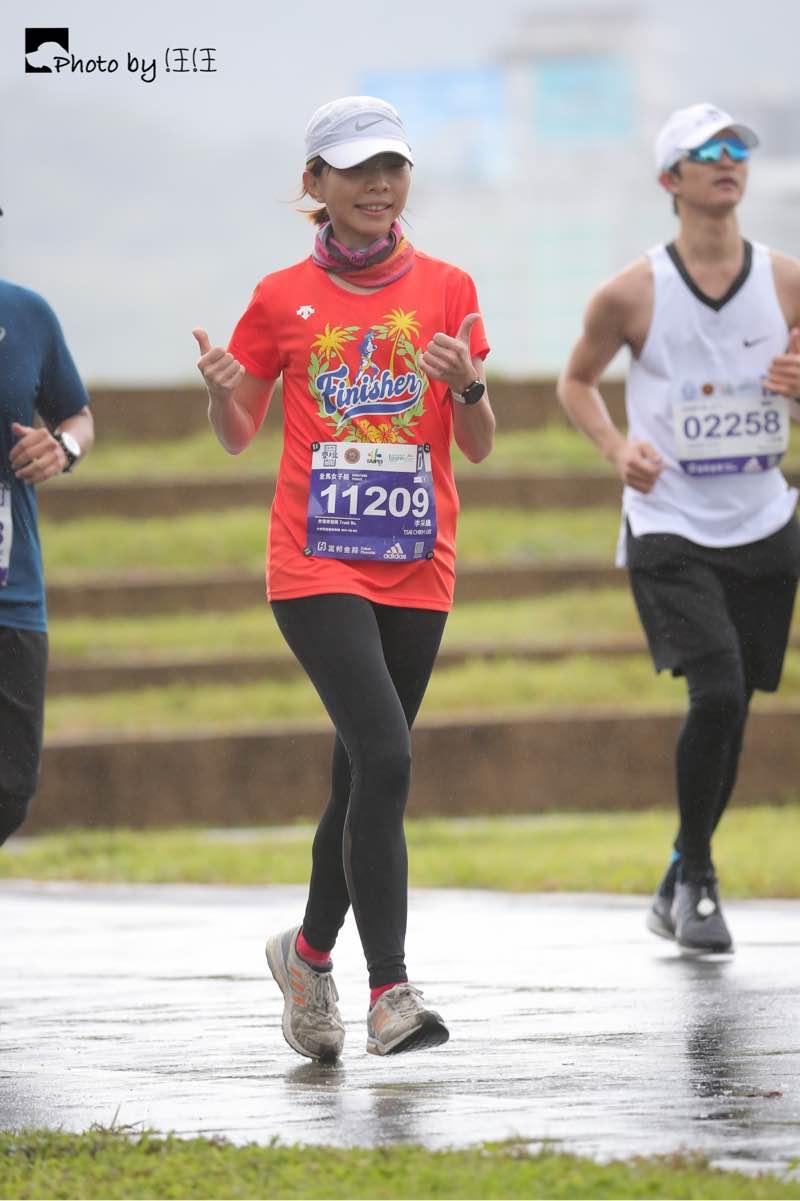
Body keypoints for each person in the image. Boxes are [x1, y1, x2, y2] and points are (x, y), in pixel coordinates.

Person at [192, 95, 494, 1057]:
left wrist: (468, 385)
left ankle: (307, 954)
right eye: (358, 169)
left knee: (363, 771)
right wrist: (223, 395)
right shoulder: (280, 297)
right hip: (315, 560)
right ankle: (390, 992)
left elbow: (479, 445)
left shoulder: (448, 287)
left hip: (418, 562)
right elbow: (240, 433)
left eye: (393, 167)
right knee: (388, 756)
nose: (379, 185)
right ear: (314, 182)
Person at [557, 103, 800, 955]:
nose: (728, 160)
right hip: (669, 522)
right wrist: (618, 449)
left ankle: (678, 872)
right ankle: (697, 878)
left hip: (764, 519)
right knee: (719, 691)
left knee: (737, 706)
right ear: (672, 178)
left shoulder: (787, 280)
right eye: (707, 151)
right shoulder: (631, 292)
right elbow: (577, 381)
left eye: (738, 148)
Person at [1, 224, 94, 845]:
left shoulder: (27, 314)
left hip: (13, 594)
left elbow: (77, 416)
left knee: (11, 788)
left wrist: (61, 447)